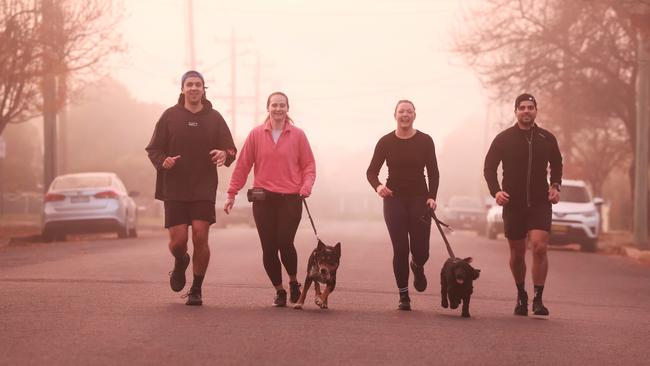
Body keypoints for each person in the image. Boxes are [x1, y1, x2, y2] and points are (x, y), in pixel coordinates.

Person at [146, 70, 236, 306]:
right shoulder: (169, 116)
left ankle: (196, 288)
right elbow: (153, 149)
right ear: (183, 89)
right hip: (174, 187)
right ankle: (180, 261)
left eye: (198, 85)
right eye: (190, 85)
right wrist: (162, 161)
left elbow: (231, 150)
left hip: (203, 187)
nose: (194, 88)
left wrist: (223, 153)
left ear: (204, 89)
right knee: (177, 243)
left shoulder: (214, 118)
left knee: (200, 235)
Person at [224, 91, 316, 307]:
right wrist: (231, 193)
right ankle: (279, 290)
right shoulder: (256, 134)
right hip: (263, 199)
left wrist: (306, 186)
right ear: (268, 108)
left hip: (291, 197)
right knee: (268, 246)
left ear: (287, 108)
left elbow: (309, 165)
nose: (278, 109)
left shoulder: (298, 135)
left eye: (282, 105)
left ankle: (293, 282)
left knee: (285, 242)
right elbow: (243, 166)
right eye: (274, 105)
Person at [484, 93, 562, 317]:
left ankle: (538, 298)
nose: (526, 111)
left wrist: (555, 185)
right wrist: (496, 191)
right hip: (513, 203)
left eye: (530, 107)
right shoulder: (503, 138)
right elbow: (489, 168)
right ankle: (521, 294)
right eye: (522, 108)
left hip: (539, 202)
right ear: (516, 111)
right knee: (517, 253)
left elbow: (557, 163)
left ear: (536, 111)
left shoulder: (547, 138)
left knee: (539, 246)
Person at [366, 100, 439, 311]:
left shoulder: (425, 141)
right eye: (401, 111)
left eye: (408, 111)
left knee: (421, 250)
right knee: (400, 248)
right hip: (394, 199)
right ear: (395, 115)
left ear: (415, 115)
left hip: (419, 198)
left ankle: (418, 265)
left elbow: (433, 172)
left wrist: (432, 196)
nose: (405, 115)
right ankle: (404, 295)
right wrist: (379, 186)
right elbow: (371, 171)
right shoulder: (385, 142)